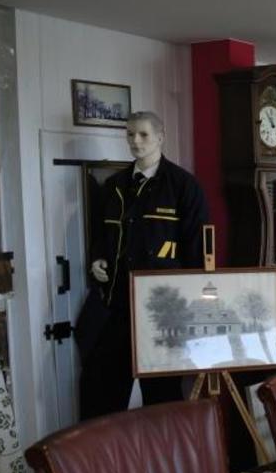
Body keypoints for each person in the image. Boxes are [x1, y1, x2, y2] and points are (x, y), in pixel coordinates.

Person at [79, 111, 208, 420]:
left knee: (162, 401)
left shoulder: (184, 186)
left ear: (160, 137)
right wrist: (97, 259)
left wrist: (195, 306)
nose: (135, 141)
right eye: (130, 134)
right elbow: (101, 236)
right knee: (99, 393)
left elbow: (198, 250)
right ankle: (104, 451)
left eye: (143, 134)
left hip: (163, 314)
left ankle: (164, 451)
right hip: (117, 306)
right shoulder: (114, 186)